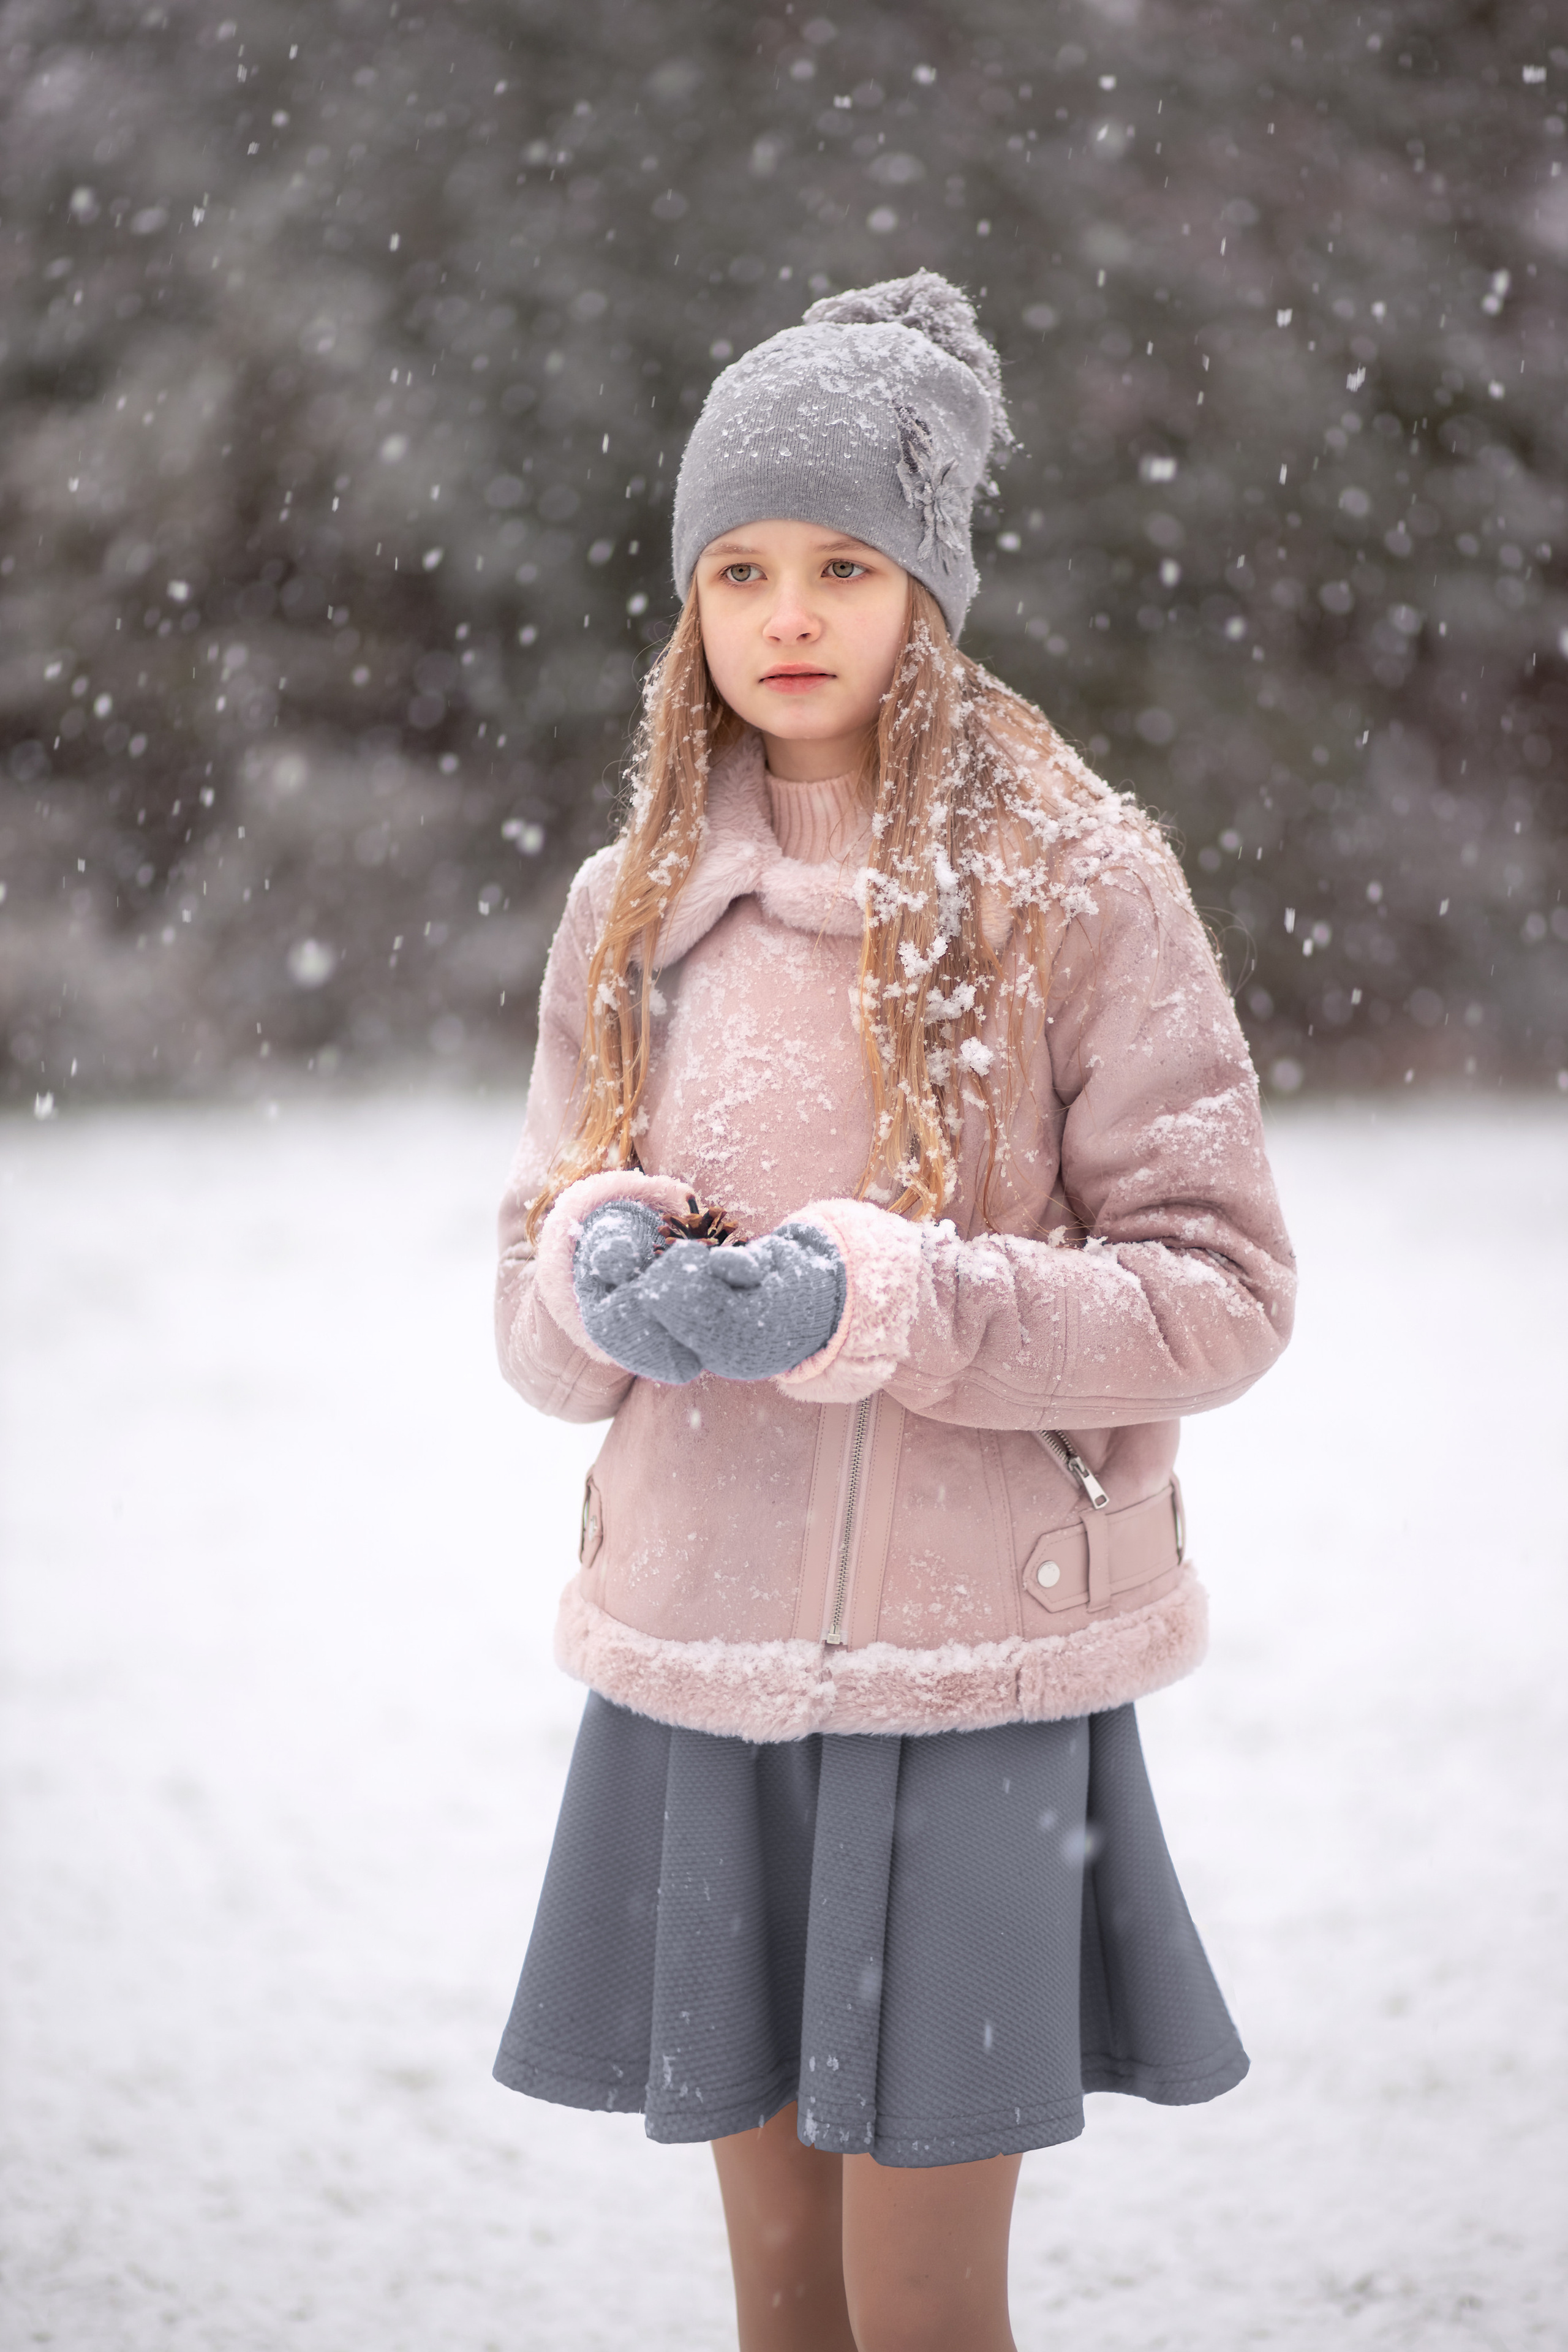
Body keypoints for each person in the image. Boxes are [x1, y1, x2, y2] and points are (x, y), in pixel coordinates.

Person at [491, 271, 1295, 2351]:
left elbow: (1217, 1294)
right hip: (701, 1670)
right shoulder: (632, 904)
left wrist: (884, 1298)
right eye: (738, 566)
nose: (786, 612)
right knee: (780, 2303)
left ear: (928, 579)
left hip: (978, 1685)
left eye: (844, 562)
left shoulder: (1081, 882)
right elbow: (528, 1300)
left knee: (923, 2307)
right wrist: (601, 1271)